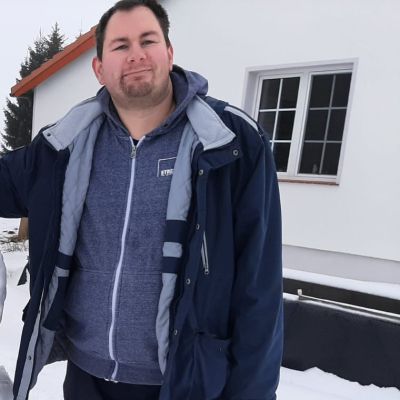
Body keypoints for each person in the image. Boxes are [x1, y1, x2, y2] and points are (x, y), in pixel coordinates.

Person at [0, 0, 283, 399]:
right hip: (86, 379)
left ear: (169, 52)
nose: (135, 54)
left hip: (182, 383)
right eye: (120, 45)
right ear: (99, 68)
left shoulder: (230, 143)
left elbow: (259, 287)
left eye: (147, 41)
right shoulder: (65, 144)